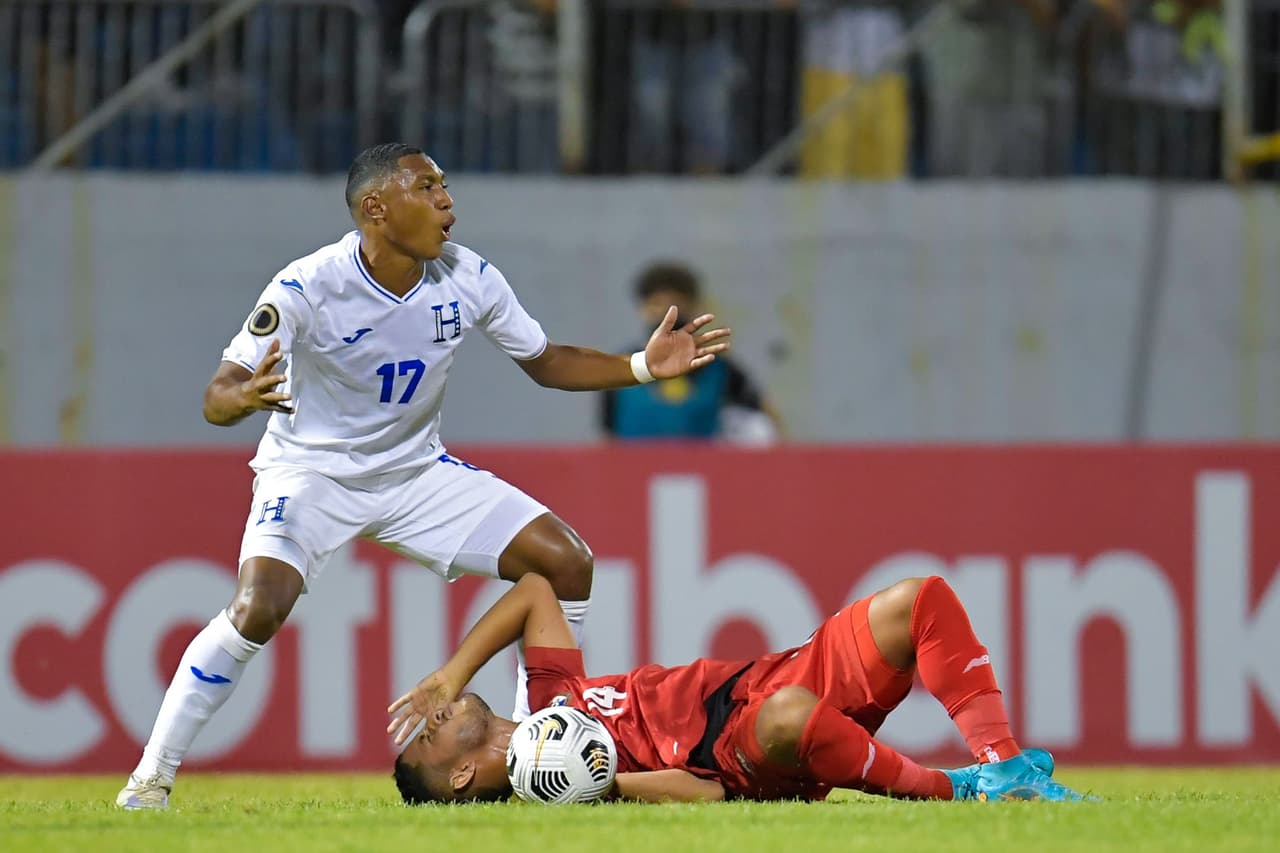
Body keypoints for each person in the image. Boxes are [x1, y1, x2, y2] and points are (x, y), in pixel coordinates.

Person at [115, 143, 731, 810]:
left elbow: (547, 361)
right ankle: (151, 777)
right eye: (428, 187)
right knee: (257, 606)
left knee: (564, 560)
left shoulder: (469, 276)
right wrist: (241, 398)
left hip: (415, 472)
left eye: (445, 185)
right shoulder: (307, 286)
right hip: (312, 473)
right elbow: (219, 392)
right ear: (377, 209)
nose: (447, 200)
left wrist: (641, 365)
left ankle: (535, 748)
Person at [389, 572, 1090, 803]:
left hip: (769, 674)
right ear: (457, 771)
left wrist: (454, 670)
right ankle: (958, 789)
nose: (435, 711)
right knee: (789, 715)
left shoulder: (543, 704)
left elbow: (536, 589)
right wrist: (601, 785)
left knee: (920, 600)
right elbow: (709, 793)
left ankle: (1002, 766)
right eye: (430, 731)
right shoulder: (558, 793)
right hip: (738, 748)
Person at [600, 263, 783, 443]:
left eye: (676, 305)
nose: (666, 315)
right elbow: (607, 435)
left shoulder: (719, 368)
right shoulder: (620, 369)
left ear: (693, 307)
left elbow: (766, 420)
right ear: (643, 309)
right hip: (634, 470)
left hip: (705, 471)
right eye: (657, 304)